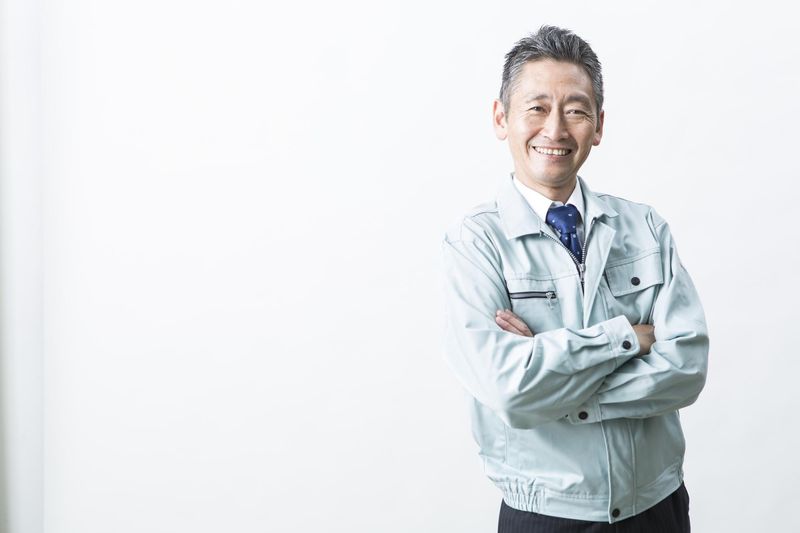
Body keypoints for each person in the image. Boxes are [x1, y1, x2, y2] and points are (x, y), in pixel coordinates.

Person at [441, 25, 709, 532]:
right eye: (537, 107)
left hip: (657, 508)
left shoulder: (645, 228)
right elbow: (509, 390)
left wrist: (555, 389)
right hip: (545, 516)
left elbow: (686, 367)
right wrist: (626, 338)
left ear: (599, 125)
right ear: (501, 118)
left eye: (576, 110)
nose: (556, 129)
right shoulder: (475, 243)